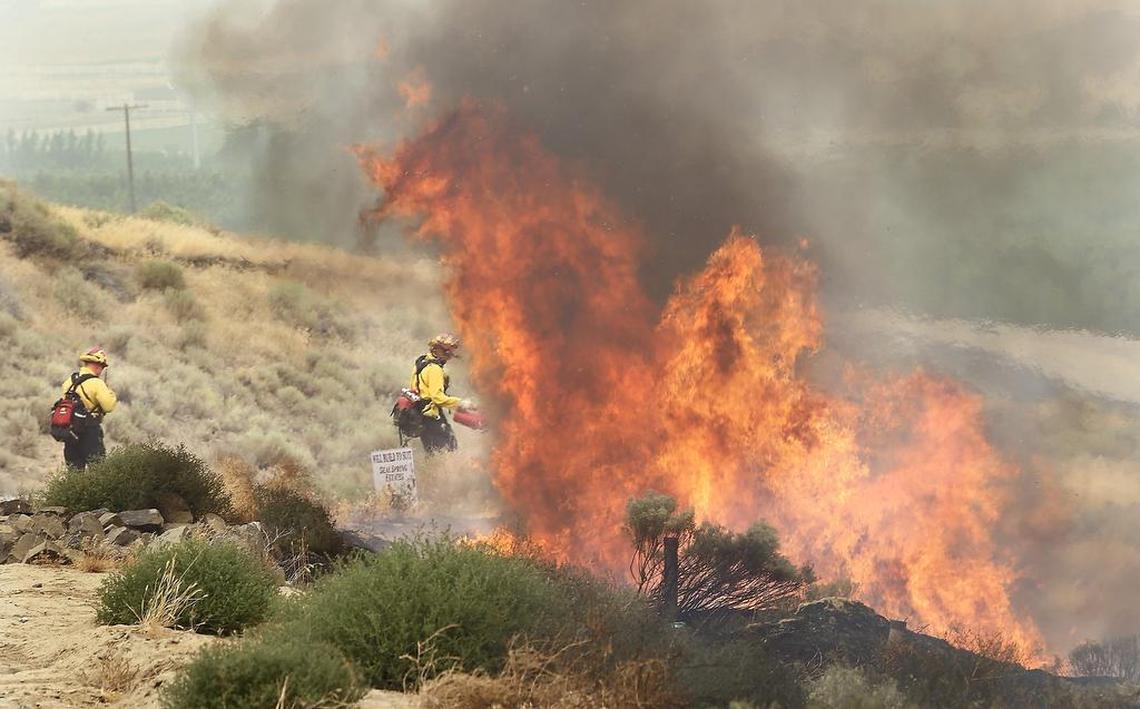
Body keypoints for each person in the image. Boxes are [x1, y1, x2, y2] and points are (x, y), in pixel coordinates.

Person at [409, 333, 476, 454]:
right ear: (435, 348)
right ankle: (443, 473)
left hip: (421, 418)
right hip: (433, 419)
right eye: (446, 352)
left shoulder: (421, 362)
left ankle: (432, 472)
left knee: (432, 453)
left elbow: (415, 388)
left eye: (450, 353)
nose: (448, 356)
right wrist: (462, 403)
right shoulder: (435, 369)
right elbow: (437, 398)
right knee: (449, 449)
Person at [59, 347, 117, 469]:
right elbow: (109, 406)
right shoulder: (97, 383)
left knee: (74, 472)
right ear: (97, 365)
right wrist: (110, 392)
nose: (101, 370)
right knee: (98, 471)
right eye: (102, 366)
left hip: (71, 432)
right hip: (90, 431)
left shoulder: (70, 380)